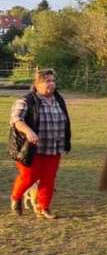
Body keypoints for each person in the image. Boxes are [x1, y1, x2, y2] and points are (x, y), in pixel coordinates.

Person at [8, 68, 71, 219]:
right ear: (36, 84)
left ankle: (43, 207)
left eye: (53, 81)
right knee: (29, 176)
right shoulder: (25, 101)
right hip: (29, 148)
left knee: (49, 178)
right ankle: (16, 197)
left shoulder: (59, 99)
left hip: (54, 146)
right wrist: (28, 131)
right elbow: (16, 119)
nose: (51, 84)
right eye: (47, 81)